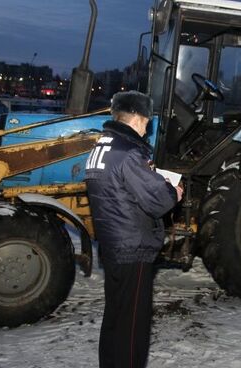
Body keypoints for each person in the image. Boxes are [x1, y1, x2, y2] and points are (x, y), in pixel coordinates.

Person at [84, 90, 183, 368]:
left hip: (113, 244)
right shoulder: (128, 152)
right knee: (132, 327)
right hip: (133, 247)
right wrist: (173, 192)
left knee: (115, 317)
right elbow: (157, 200)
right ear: (137, 118)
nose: (147, 126)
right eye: (146, 120)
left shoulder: (101, 146)